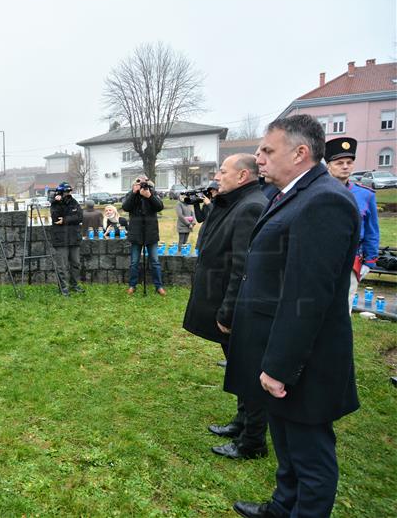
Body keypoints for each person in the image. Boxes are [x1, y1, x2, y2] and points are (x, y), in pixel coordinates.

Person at [225, 115, 359, 518]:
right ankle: (283, 507)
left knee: (310, 455)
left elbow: (309, 296)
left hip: (306, 358)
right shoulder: (292, 194)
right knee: (286, 442)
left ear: (300, 153)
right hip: (281, 347)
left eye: (268, 151)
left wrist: (280, 366)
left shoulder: (324, 201)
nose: (260, 160)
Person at [182, 154, 268, 460]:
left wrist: (228, 311)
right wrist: (216, 200)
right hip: (221, 301)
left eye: (223, 171)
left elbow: (241, 266)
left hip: (236, 307)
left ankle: (253, 441)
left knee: (249, 373)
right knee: (238, 368)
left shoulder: (251, 206)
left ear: (243, 175)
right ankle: (241, 423)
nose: (218, 176)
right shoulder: (233, 202)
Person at [325, 137, 380, 312]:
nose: (345, 166)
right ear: (328, 165)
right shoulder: (317, 191)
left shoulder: (366, 195)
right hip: (322, 258)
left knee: (344, 307)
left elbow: (372, 231)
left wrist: (369, 262)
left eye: (349, 162)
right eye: (339, 162)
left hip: (351, 260)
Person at [121, 176, 165, 295]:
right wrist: (134, 193)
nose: (142, 185)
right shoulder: (131, 194)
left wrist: (149, 196)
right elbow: (125, 207)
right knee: (134, 262)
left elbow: (160, 207)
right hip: (136, 233)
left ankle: (159, 286)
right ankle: (132, 285)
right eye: (139, 183)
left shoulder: (152, 193)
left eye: (144, 183)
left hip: (151, 233)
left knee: (155, 261)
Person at [49, 182, 84, 295]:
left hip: (74, 238)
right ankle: (63, 288)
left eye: (69, 191)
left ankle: (74, 285)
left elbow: (79, 217)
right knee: (62, 266)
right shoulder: (55, 204)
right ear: (60, 192)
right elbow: (56, 218)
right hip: (61, 239)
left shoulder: (74, 202)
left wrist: (65, 220)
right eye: (66, 192)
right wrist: (58, 202)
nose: (68, 194)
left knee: (76, 264)